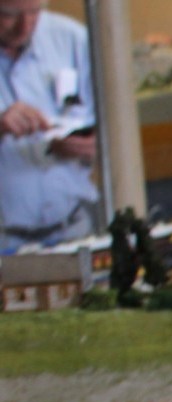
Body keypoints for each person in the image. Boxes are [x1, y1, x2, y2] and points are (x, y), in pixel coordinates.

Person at [0, 0, 99, 252]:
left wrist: (94, 144)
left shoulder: (72, 38)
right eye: (8, 15)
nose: (25, 26)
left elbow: (111, 122)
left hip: (72, 229)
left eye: (35, 12)